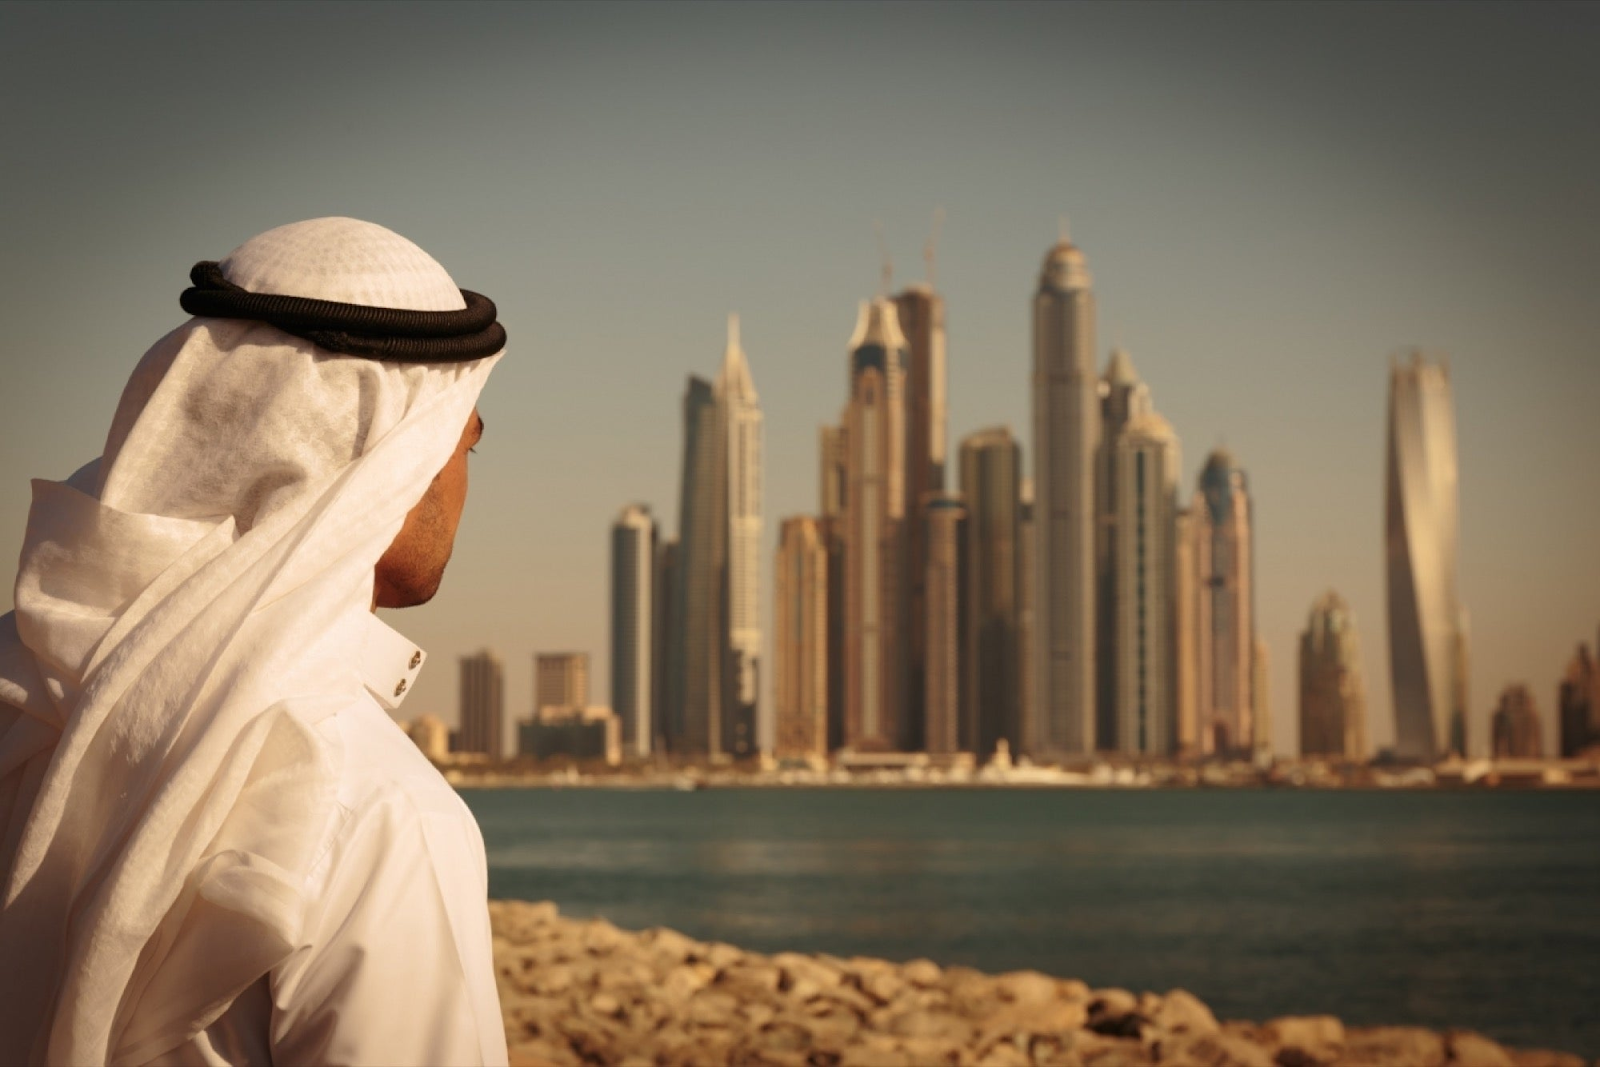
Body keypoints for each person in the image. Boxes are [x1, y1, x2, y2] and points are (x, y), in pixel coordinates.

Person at [0, 217, 511, 1065]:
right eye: (462, 443)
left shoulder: (18, 683)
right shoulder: (375, 810)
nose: (460, 483)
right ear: (394, 463)